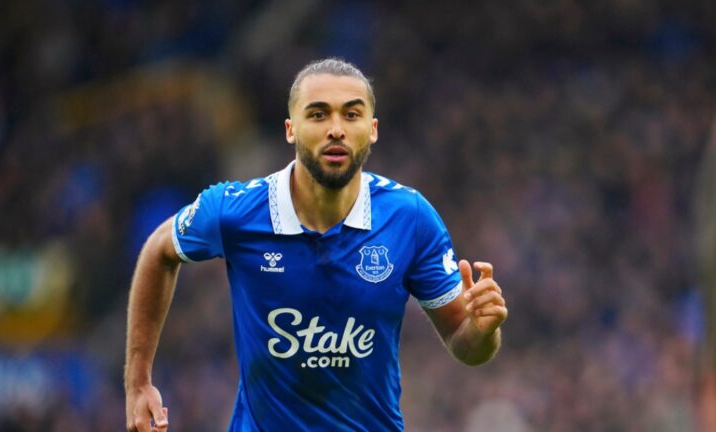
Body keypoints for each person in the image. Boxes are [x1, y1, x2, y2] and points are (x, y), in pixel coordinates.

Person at [124, 58, 508, 432]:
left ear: (372, 129)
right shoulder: (234, 211)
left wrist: (482, 329)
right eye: (319, 114)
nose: (336, 129)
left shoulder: (410, 218)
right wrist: (138, 382)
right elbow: (159, 251)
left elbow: (467, 346)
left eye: (351, 115)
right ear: (291, 129)